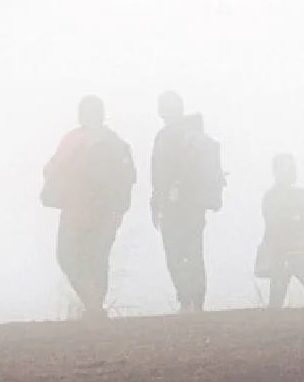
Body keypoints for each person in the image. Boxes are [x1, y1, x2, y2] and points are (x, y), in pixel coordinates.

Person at [41, 96, 136, 320]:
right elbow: (130, 176)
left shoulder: (74, 139)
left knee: (67, 257)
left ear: (82, 114)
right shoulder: (117, 142)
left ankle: (93, 306)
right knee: (98, 260)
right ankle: (95, 308)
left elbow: (54, 168)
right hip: (108, 214)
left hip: (77, 211)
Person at [150, 91, 224, 313]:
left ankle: (186, 301)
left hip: (176, 204)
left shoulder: (167, 136)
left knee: (175, 253)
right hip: (193, 204)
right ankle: (196, 302)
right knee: (192, 251)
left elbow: (159, 174)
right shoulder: (192, 134)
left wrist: (158, 201)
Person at [257, 154, 304, 310]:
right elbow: (275, 222)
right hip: (282, 256)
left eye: (294, 168)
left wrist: (297, 219)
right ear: (277, 171)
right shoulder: (271, 197)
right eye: (289, 168)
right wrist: (301, 219)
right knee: (276, 304)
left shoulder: (301, 194)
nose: (294, 172)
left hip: (300, 255)